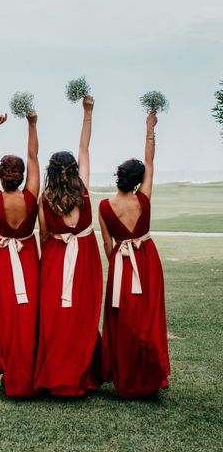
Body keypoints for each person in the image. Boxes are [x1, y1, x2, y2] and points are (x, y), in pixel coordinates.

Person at [33, 96, 103, 396]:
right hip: (85, 257)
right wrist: (87, 113)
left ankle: (55, 373)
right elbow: (85, 147)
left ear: (50, 172)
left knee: (55, 315)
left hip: (55, 258)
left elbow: (44, 235)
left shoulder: (44, 199)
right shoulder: (84, 189)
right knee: (82, 315)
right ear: (74, 170)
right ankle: (80, 375)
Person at [99, 112, 170, 397]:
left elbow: (106, 244)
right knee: (148, 318)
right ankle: (148, 376)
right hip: (146, 259)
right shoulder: (144, 198)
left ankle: (125, 377)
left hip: (121, 263)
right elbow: (150, 163)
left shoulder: (104, 206)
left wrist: (116, 264)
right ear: (138, 182)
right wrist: (149, 129)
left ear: (118, 178)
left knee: (122, 319)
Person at [0, 111, 40, 397]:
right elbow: (34, 157)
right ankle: (27, 371)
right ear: (22, 176)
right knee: (28, 314)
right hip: (27, 256)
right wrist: (32, 124)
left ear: (2, 175)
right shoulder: (31, 196)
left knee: (3, 314)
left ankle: (8, 370)